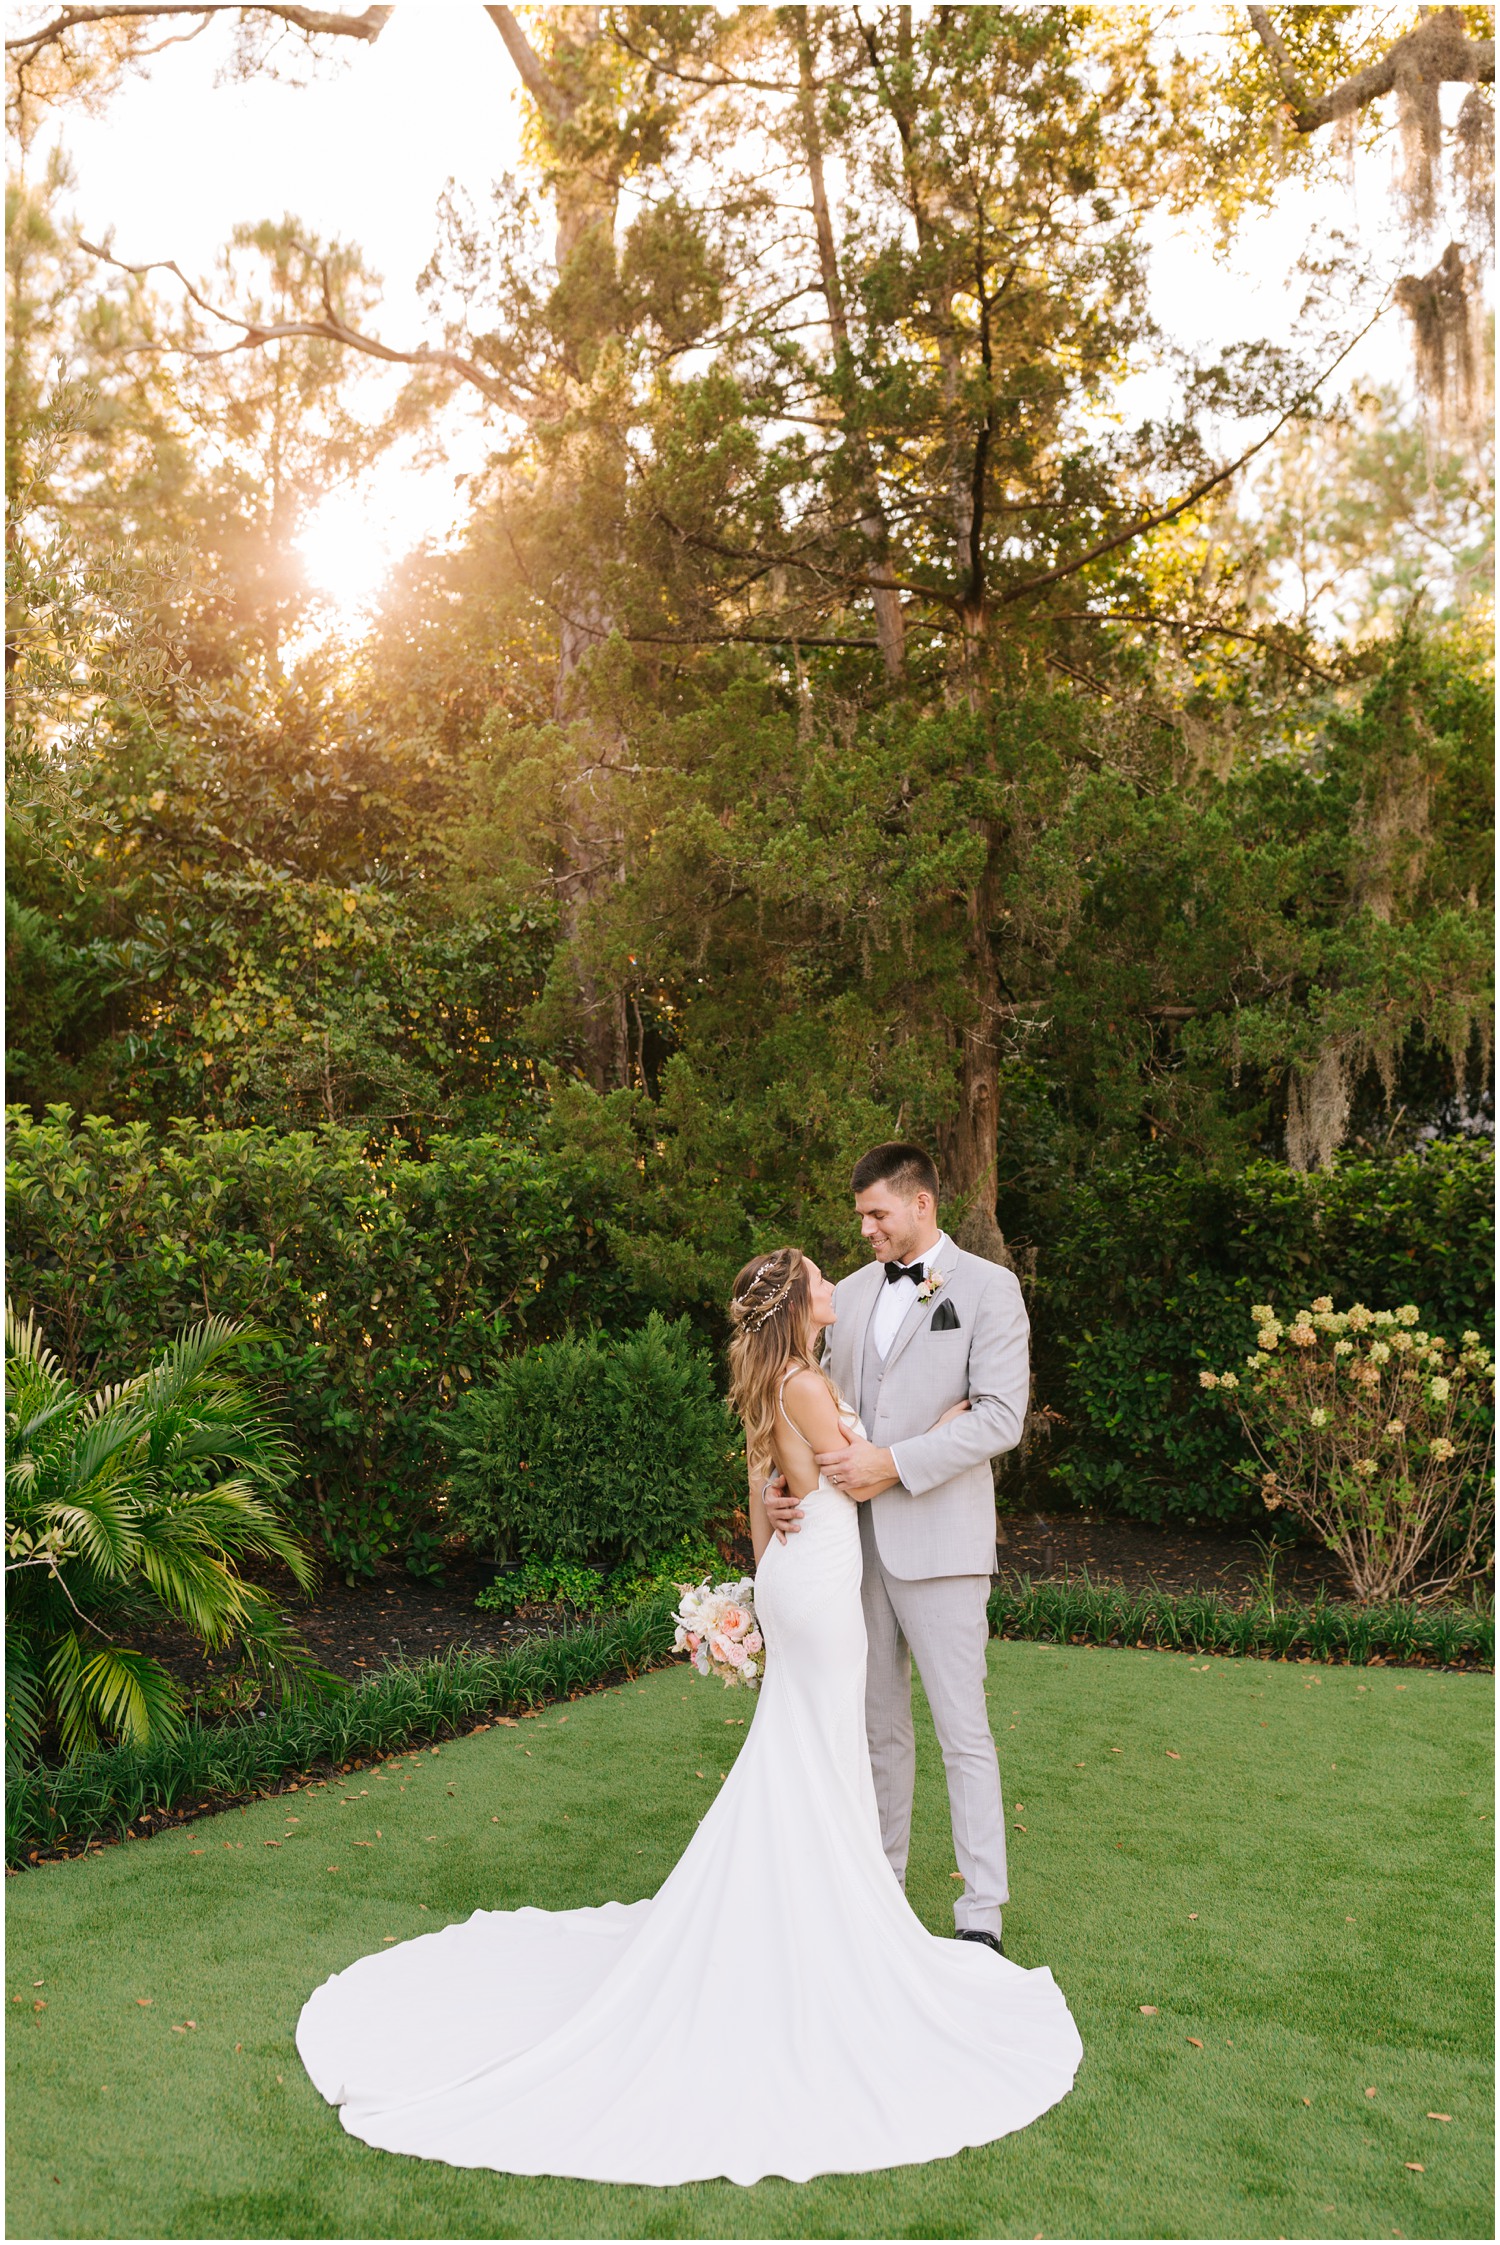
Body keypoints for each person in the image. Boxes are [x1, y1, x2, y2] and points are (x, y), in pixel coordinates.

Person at [296, 1244, 1080, 2187]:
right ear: (798, 1303)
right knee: (825, 1745)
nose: (837, 1282)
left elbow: (766, 1490)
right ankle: (831, 1927)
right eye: (820, 1280)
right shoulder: (803, 1381)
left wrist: (765, 1560)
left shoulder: (776, 1378)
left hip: (799, 1573)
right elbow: (854, 1469)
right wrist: (944, 1425)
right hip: (825, 1580)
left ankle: (830, 1903)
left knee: (809, 1747)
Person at [763, 1143, 1025, 1953]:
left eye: (877, 1213)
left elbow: (999, 1417)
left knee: (962, 1728)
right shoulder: (850, 1292)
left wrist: (895, 1462)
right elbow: (812, 1401)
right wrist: (783, 1482)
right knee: (876, 1726)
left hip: (942, 1544)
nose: (867, 1229)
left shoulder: (989, 1287)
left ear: (922, 1204)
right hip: (850, 1549)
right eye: (861, 1217)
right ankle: (881, 1889)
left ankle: (980, 1912)